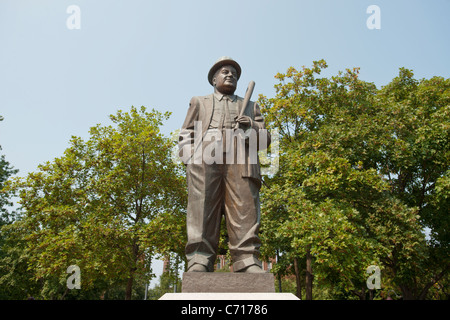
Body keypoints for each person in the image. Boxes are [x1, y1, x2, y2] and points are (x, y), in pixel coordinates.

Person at [179, 56, 270, 273]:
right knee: (202, 206)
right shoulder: (199, 101)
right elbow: (186, 133)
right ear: (213, 79)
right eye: (225, 72)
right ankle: (199, 258)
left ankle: (246, 259)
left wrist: (251, 128)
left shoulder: (250, 105)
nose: (231, 76)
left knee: (244, 207)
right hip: (206, 155)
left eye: (235, 74)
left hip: (241, 156)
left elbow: (265, 140)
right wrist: (190, 157)